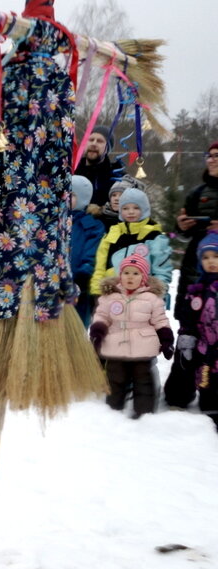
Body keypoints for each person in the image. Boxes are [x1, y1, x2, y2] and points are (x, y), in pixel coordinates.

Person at [166, 144, 218, 408]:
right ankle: (179, 392)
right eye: (210, 155)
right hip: (193, 271)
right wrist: (181, 225)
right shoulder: (197, 192)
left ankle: (213, 393)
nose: (213, 160)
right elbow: (183, 229)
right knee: (188, 329)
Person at [90, 254, 173, 418]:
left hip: (143, 349)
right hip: (115, 347)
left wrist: (166, 339)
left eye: (136, 273)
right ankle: (113, 412)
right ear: (120, 275)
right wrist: (97, 332)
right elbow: (102, 316)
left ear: (144, 277)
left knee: (144, 382)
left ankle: (144, 414)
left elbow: (160, 320)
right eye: (126, 272)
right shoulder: (110, 297)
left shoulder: (151, 299)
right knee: (115, 380)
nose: (130, 277)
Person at [89, 187, 171, 300]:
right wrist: (97, 291)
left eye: (136, 208)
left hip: (143, 298)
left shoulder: (154, 236)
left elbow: (162, 270)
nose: (131, 212)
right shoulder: (113, 233)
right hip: (113, 295)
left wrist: (156, 296)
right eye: (125, 208)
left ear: (145, 209)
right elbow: (100, 265)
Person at [175, 232, 218, 429]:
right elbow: (188, 317)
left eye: (216, 256)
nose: (211, 261)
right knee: (206, 390)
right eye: (206, 257)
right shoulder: (197, 289)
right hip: (203, 349)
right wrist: (186, 336)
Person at [68, 175, 105, 324]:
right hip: (54, 282)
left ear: (83, 198)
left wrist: (83, 276)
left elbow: (92, 253)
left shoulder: (91, 226)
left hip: (78, 286)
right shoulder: (55, 222)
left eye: (71, 196)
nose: (66, 199)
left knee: (76, 323)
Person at [73, 130, 125, 209]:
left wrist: (101, 210)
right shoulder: (70, 171)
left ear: (107, 148)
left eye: (100, 141)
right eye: (90, 140)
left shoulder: (117, 177)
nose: (94, 144)